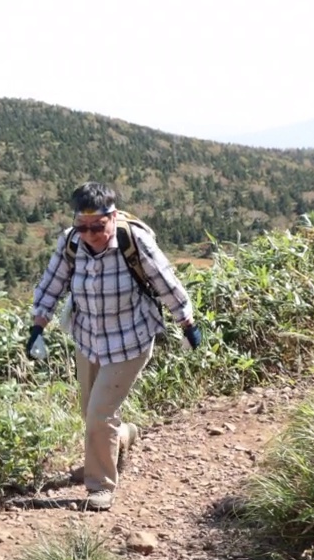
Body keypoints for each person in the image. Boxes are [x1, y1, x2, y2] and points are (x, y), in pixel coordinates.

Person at [27, 182, 200, 511]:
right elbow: (52, 282)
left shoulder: (133, 242)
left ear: (113, 216)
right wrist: (37, 327)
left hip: (130, 342)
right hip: (88, 338)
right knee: (90, 413)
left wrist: (187, 323)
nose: (90, 233)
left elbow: (166, 283)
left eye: (98, 226)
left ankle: (100, 486)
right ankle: (122, 437)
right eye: (83, 226)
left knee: (100, 413)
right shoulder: (72, 242)